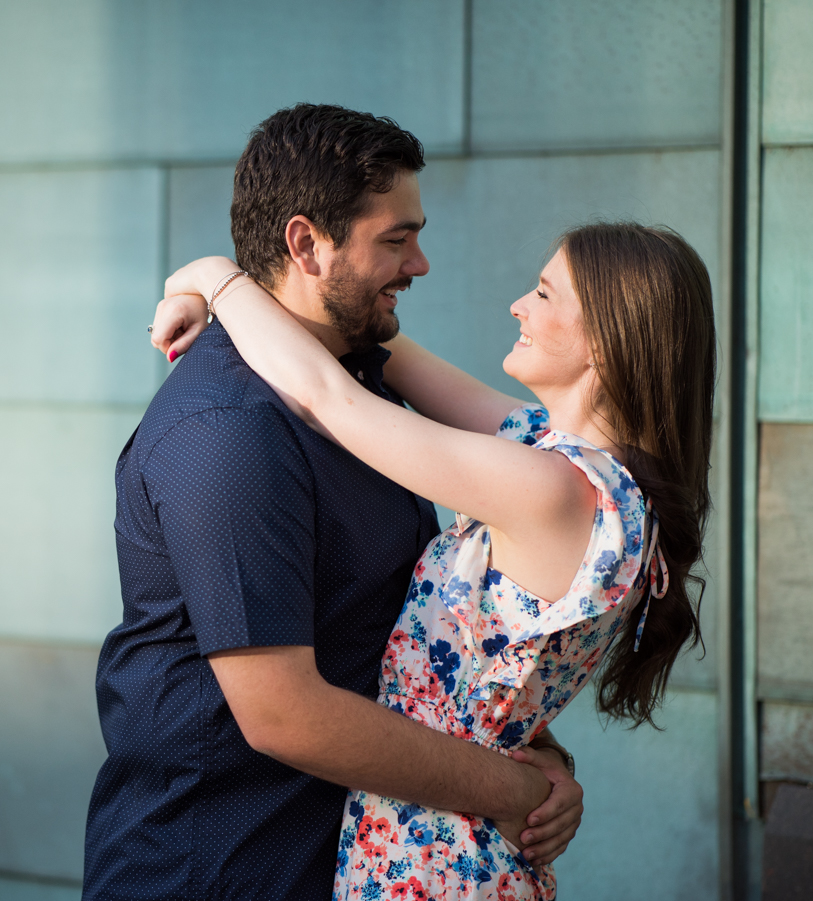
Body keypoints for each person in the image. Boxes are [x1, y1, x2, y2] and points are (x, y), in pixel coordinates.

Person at [83, 105, 586, 901]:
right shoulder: (230, 432)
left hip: (339, 864)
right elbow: (284, 713)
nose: (420, 263)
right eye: (396, 239)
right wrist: (513, 790)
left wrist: (539, 750)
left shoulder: (361, 380)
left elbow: (395, 633)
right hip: (218, 871)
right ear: (306, 244)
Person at [152, 214, 715, 899]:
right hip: (454, 837)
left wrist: (217, 275)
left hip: (435, 855)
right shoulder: (586, 471)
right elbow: (386, 344)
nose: (518, 305)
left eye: (542, 293)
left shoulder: (547, 489)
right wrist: (226, 294)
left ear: (606, 336)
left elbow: (330, 398)